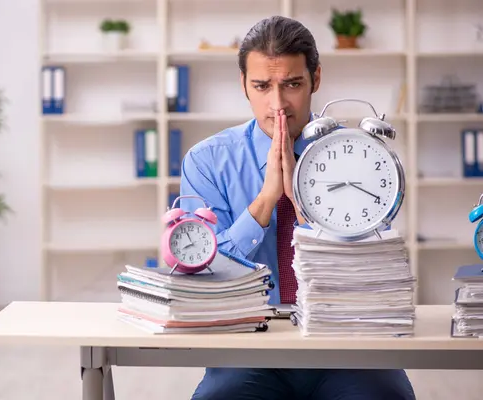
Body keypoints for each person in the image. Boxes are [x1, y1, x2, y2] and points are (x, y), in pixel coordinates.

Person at [178, 16, 416, 400]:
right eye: (262, 86)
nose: (278, 105)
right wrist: (265, 201)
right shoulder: (207, 161)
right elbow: (204, 278)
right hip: (248, 348)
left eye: (292, 84)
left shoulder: (362, 156)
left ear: (315, 80)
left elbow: (368, 272)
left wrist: (305, 211)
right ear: (243, 85)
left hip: (347, 344)